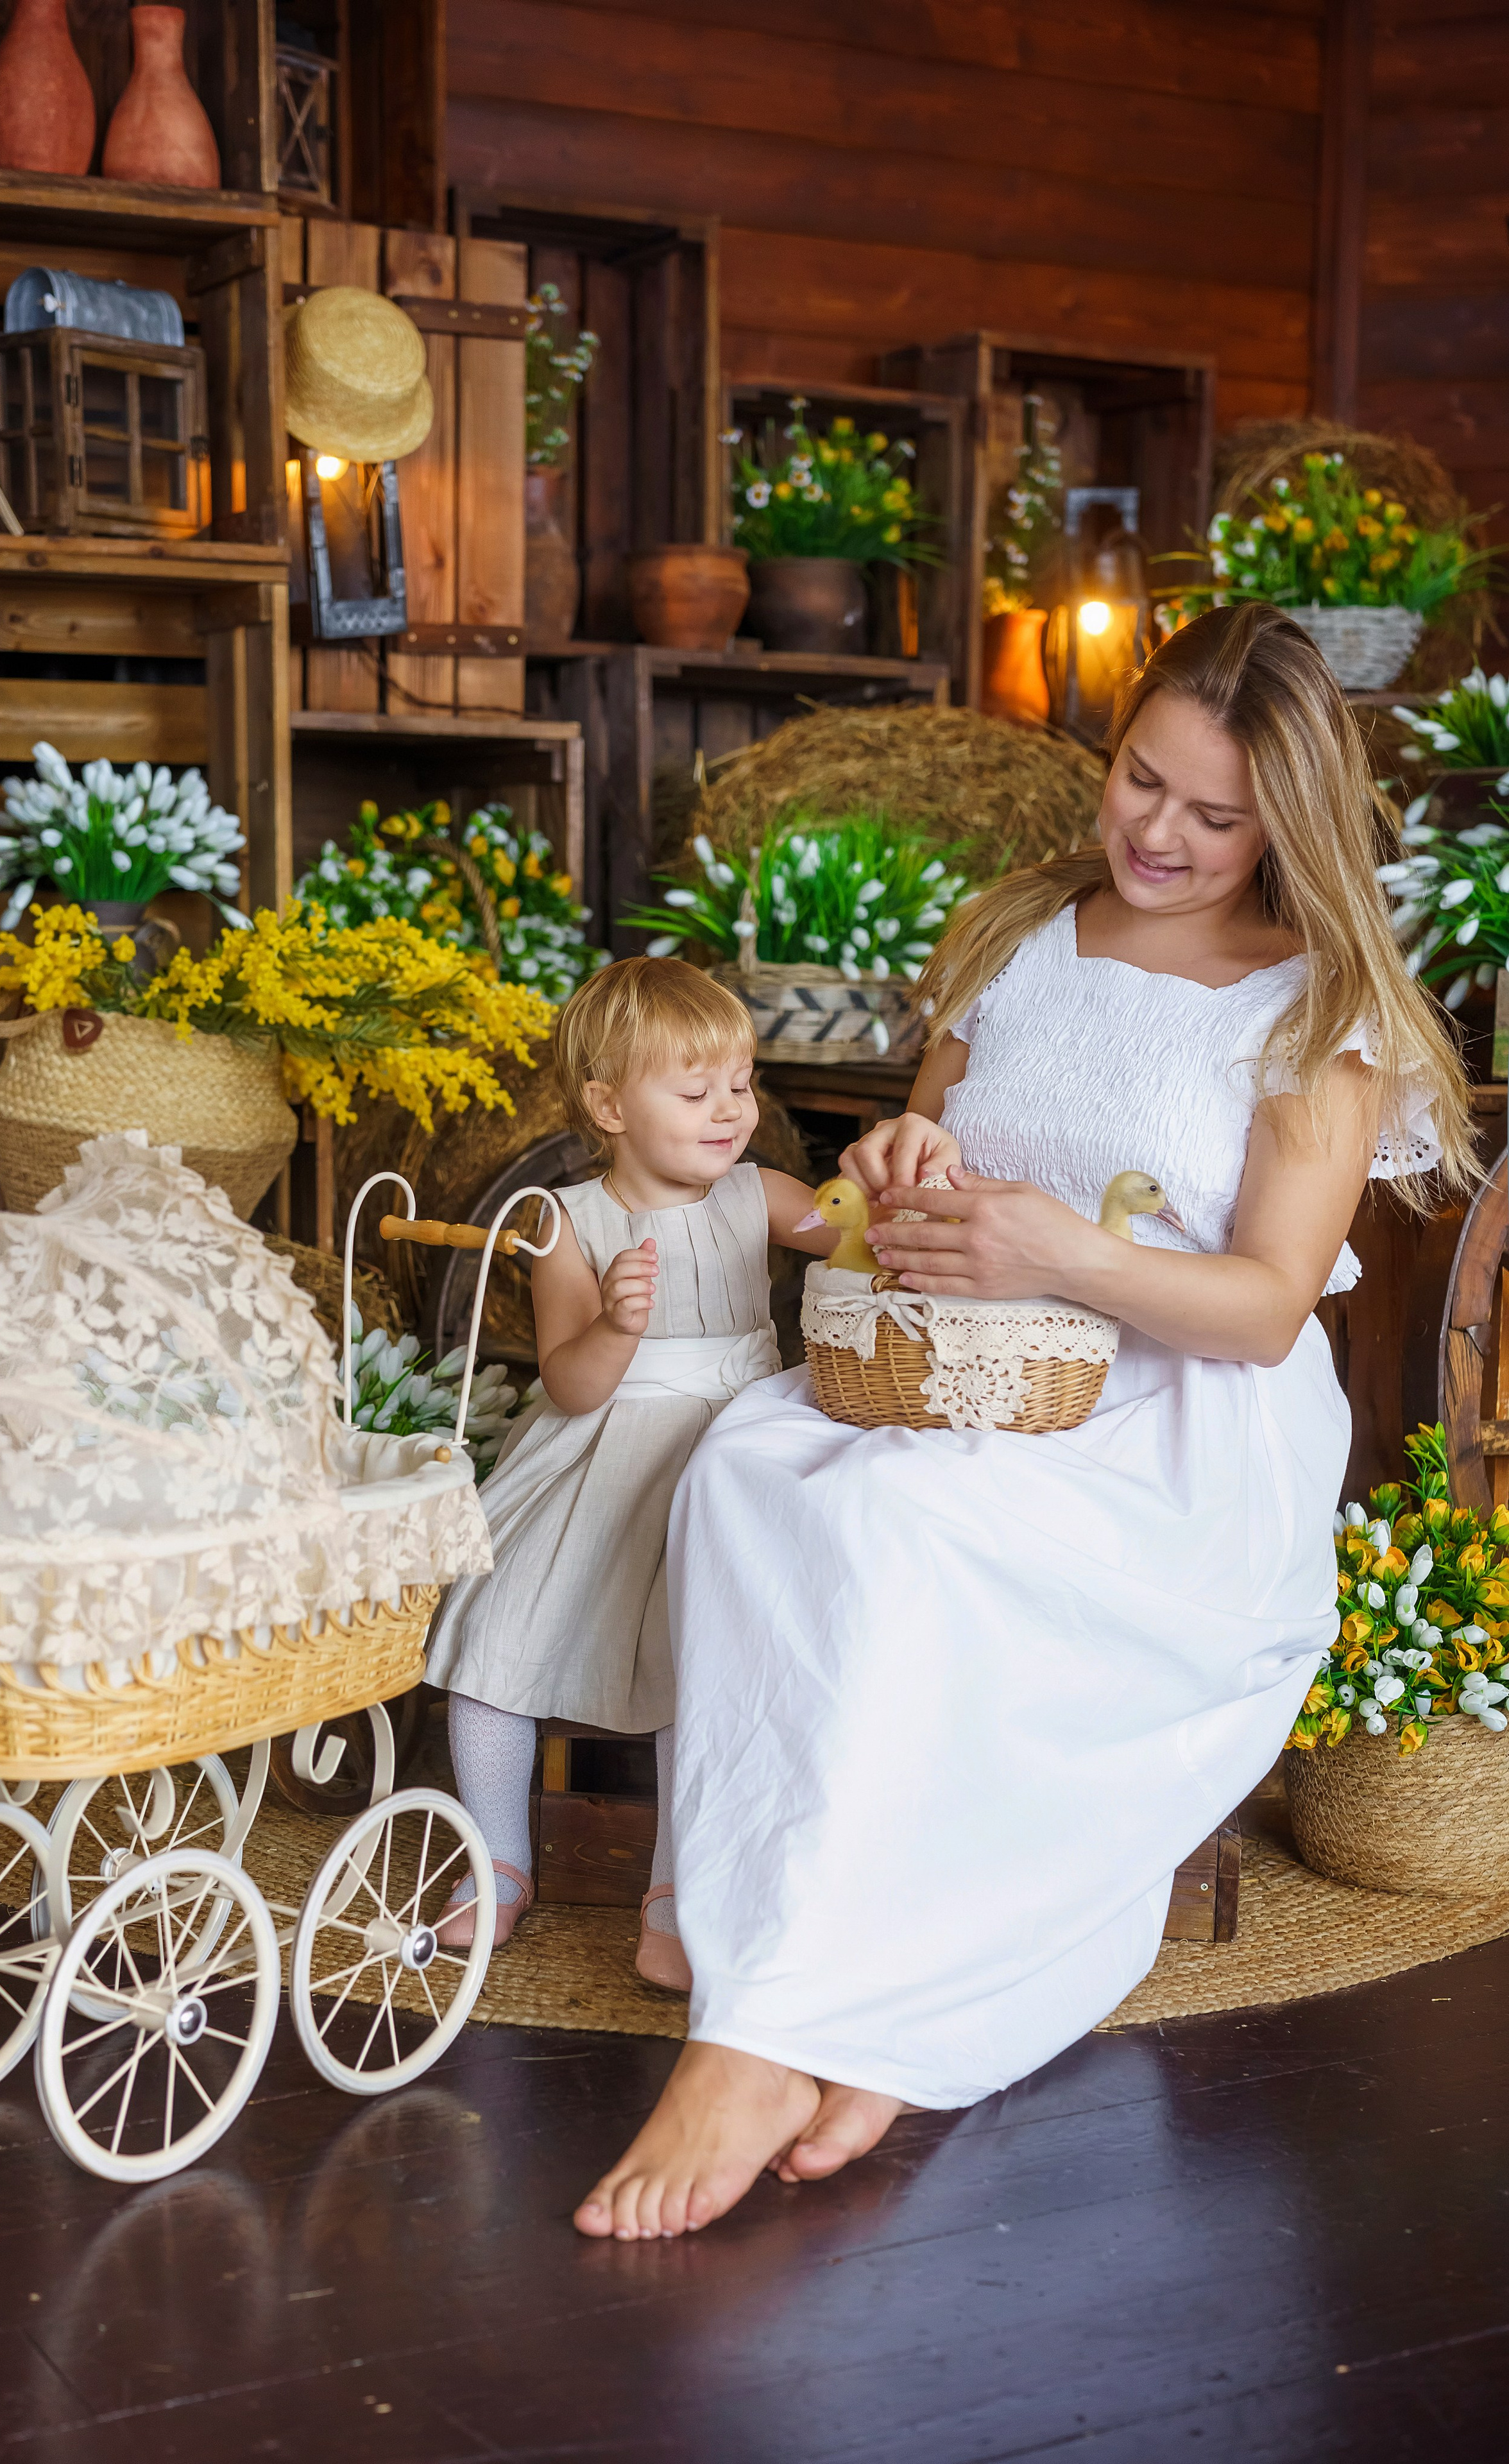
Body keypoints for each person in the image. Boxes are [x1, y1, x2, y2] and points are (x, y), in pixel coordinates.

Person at [573, 601, 1476, 2239]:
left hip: (1173, 1428)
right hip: (964, 1370)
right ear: (1114, 745)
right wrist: (884, 1175)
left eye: (1216, 816)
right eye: (1142, 781)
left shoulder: (1311, 1006)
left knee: (903, 1527)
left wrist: (1064, 1245)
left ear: (1291, 822)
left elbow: (1268, 1302)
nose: (1159, 833)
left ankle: (761, 2033)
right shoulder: (1018, 938)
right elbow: (914, 1167)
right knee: (754, 1464)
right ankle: (819, 1987)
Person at [425, 956, 833, 1987]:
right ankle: (498, 1858)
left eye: (739, 1086)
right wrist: (612, 1325)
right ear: (608, 1105)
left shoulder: (760, 1195)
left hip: (729, 1459)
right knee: (493, 1643)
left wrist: (886, 1205)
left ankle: (675, 1886)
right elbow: (567, 1384)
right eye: (694, 1092)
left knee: (702, 1671)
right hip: (601, 1463)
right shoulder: (565, 1223)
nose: (729, 1111)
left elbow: (860, 1231)